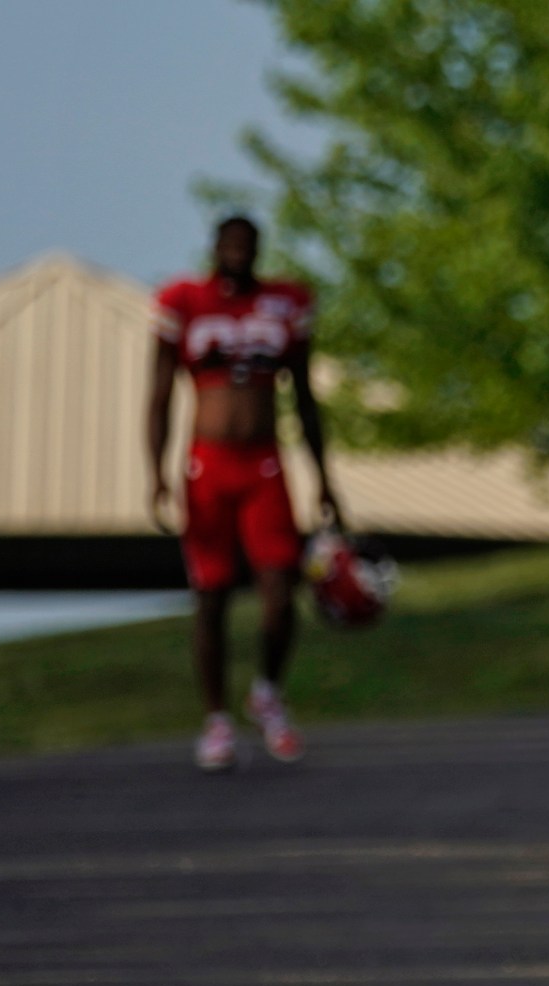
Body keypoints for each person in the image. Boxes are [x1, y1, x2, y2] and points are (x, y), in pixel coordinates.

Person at [148, 215, 339, 772]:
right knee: (211, 593)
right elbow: (157, 395)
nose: (238, 254)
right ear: (214, 248)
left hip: (264, 464)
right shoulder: (185, 300)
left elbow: (305, 396)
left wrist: (325, 476)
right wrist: (155, 469)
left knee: (281, 587)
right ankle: (215, 718)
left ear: (257, 250)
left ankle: (267, 692)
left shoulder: (284, 303)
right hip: (208, 463)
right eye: (229, 245)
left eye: (247, 246)